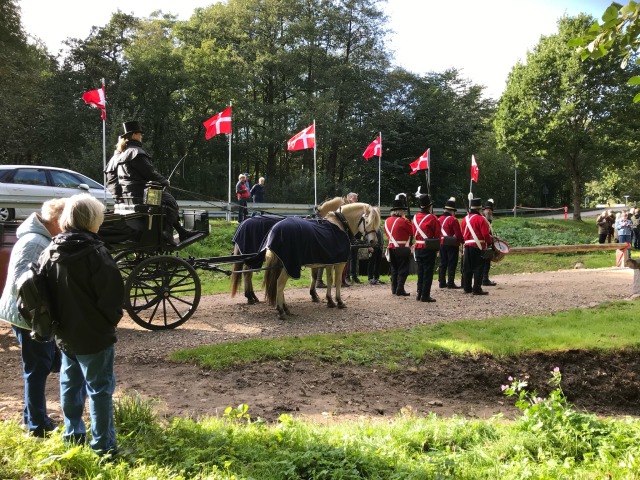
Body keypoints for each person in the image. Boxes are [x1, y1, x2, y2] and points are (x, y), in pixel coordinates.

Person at [39, 193, 124, 456]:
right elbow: (112, 297)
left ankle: (73, 435)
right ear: (92, 220)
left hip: (64, 335)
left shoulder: (50, 250)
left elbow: (42, 293)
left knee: (70, 386)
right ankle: (103, 447)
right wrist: (108, 324)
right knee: (99, 390)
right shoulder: (97, 253)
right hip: (95, 336)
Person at [0, 198, 66, 438]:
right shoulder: (36, 242)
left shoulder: (38, 238)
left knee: (40, 366)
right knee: (37, 370)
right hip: (27, 316)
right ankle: (37, 426)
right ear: (56, 220)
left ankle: (32, 417)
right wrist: (41, 317)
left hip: (25, 314)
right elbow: (24, 284)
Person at [112, 121, 196, 245]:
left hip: (130, 194)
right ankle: (167, 232)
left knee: (166, 200)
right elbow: (150, 173)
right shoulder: (136, 152)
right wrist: (164, 181)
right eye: (140, 134)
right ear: (134, 135)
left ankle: (180, 231)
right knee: (170, 201)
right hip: (141, 193)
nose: (142, 136)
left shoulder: (123, 154)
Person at [412, 194, 441, 302]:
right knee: (428, 272)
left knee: (420, 271)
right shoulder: (433, 218)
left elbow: (413, 232)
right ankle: (425, 295)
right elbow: (438, 234)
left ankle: (419, 293)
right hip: (428, 248)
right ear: (429, 206)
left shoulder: (415, 217)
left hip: (418, 247)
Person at [460, 198, 492, 295]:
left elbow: (462, 233)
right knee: (478, 267)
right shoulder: (481, 219)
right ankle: (477, 289)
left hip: (467, 246)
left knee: (467, 267)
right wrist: (490, 242)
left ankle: (467, 287)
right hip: (477, 246)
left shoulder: (465, 219)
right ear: (479, 209)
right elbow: (485, 234)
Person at [384, 194, 413, 296]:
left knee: (394, 269)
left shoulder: (387, 221)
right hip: (402, 248)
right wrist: (407, 220)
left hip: (391, 247)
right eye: (403, 210)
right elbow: (412, 231)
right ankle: (400, 288)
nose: (404, 212)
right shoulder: (403, 221)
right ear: (400, 211)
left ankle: (394, 288)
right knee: (403, 269)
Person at [438, 197, 463, 289]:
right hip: (452, 244)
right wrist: (462, 241)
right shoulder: (453, 220)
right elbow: (458, 234)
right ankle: (450, 283)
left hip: (441, 243)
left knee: (443, 262)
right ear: (452, 211)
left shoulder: (439, 219)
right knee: (452, 263)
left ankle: (441, 282)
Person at [345, 192, 361, 285]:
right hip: (348, 234)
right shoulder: (346, 208)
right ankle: (347, 276)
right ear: (350, 198)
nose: (357, 200)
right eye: (355, 198)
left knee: (354, 256)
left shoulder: (356, 209)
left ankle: (354, 276)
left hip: (356, 234)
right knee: (348, 257)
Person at [481, 199, 497, 286]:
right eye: (487, 210)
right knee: (485, 262)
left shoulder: (489, 220)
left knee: (486, 263)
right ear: (484, 211)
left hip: (487, 243)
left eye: (490, 210)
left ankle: (484, 278)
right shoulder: (483, 220)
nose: (489, 212)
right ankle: (484, 279)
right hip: (484, 244)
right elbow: (484, 233)